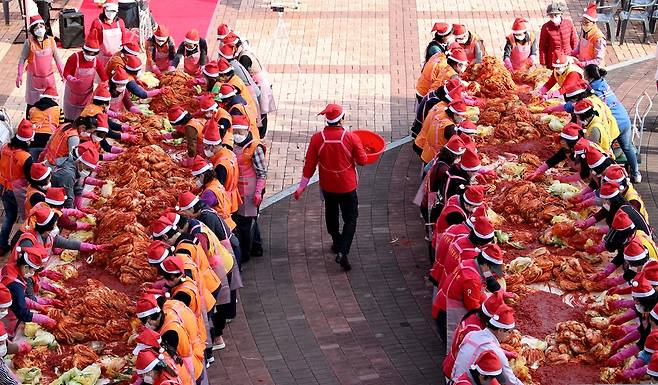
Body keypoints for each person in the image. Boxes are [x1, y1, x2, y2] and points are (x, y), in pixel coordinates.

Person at [294, 104, 366, 271]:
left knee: (331, 214)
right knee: (351, 218)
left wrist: (301, 187)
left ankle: (336, 241)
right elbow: (362, 161)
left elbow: (309, 165)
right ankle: (343, 251)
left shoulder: (317, 139)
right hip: (347, 186)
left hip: (328, 186)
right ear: (341, 120)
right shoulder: (351, 138)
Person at [435, 232, 501, 346]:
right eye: (492, 269)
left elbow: (480, 290)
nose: (493, 273)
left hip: (444, 302)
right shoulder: (472, 279)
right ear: (485, 265)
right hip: (447, 312)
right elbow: (473, 307)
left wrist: (496, 297)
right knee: (454, 344)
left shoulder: (471, 262)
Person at [583, 64, 640, 182]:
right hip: (624, 118)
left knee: (605, 149)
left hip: (613, 123)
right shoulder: (603, 83)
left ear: (588, 75)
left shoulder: (592, 91)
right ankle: (636, 173)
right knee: (628, 147)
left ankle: (608, 176)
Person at [135, 293, 206, 383]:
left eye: (143, 322)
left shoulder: (170, 333)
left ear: (149, 319)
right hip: (187, 365)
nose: (144, 325)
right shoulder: (167, 311)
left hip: (190, 371)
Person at [451, 305, 524, 385]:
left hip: (455, 377)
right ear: (500, 330)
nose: (510, 335)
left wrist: (505, 353)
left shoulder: (472, 334)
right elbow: (510, 380)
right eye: (509, 332)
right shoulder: (495, 350)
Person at [230, 114, 267, 264]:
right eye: (235, 132)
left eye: (240, 132)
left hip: (250, 191)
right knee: (249, 220)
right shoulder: (234, 144)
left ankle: (245, 253)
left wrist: (258, 192)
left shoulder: (255, 147)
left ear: (247, 130)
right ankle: (257, 246)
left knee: (244, 224)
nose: (237, 136)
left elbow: (262, 173)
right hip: (237, 190)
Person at [0, 244, 57, 331]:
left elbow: (17, 297)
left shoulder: (12, 267)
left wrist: (37, 305)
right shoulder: (15, 284)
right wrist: (46, 320)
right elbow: (22, 313)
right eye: (33, 270)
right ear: (26, 266)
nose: (33, 273)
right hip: (7, 317)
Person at [0, 120, 35, 254]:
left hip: (3, 187)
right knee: (26, 217)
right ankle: (22, 245)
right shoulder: (25, 157)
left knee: (9, 216)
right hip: (18, 191)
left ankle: (2, 244)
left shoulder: (4, 148)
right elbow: (30, 176)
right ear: (27, 141)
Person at [16, 15, 63, 114]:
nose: (39, 29)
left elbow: (58, 58)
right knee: (32, 104)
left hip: (48, 78)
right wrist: (19, 75)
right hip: (33, 79)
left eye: (41, 26)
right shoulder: (29, 43)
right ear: (33, 30)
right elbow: (22, 58)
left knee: (51, 102)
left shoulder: (51, 40)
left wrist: (62, 73)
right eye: (36, 28)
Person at [233, 34, 277, 138]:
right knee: (261, 111)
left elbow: (245, 74)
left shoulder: (244, 57)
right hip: (260, 84)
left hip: (260, 86)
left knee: (261, 111)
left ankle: (261, 135)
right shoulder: (246, 53)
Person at [62, 35, 109, 121]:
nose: (90, 56)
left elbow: (103, 76)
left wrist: (105, 84)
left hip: (87, 95)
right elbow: (66, 73)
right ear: (84, 50)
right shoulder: (74, 58)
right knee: (70, 118)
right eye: (88, 53)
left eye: (93, 54)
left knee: (84, 118)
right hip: (72, 93)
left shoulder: (96, 61)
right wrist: (71, 78)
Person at [50, 142, 101, 208]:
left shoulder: (75, 166)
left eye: (90, 170)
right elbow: (67, 198)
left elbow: (77, 187)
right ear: (80, 162)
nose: (88, 172)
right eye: (87, 169)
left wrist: (80, 207)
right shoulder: (68, 174)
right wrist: (71, 213)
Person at [27, 86, 62, 160]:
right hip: (49, 140)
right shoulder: (59, 110)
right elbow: (60, 127)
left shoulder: (32, 109)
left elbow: (28, 123)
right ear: (53, 99)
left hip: (33, 139)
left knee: (31, 165)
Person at [539, 2, 577, 69]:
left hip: (568, 57)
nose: (554, 17)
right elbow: (542, 47)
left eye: (556, 15)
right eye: (551, 15)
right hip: (554, 60)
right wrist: (543, 63)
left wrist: (576, 56)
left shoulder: (568, 24)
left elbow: (574, 41)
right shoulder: (546, 27)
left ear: (560, 14)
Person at [88, 0, 127, 66]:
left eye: (113, 11)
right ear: (104, 10)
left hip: (117, 57)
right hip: (101, 56)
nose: (111, 13)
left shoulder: (120, 22)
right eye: (109, 11)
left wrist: (124, 52)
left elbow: (124, 39)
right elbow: (92, 39)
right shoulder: (97, 23)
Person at [572, 3, 606, 67]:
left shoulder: (599, 39)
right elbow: (580, 46)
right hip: (583, 66)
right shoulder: (584, 31)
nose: (584, 24)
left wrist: (583, 64)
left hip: (593, 70)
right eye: (582, 22)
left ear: (594, 22)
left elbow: (598, 60)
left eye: (587, 22)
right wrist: (572, 53)